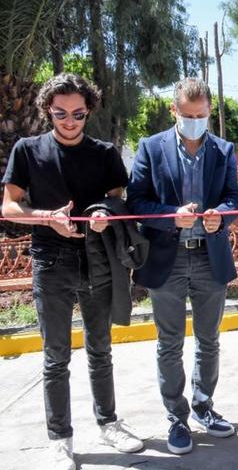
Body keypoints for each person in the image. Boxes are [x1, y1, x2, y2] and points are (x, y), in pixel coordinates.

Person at [1, 74, 143, 470]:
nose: (69, 121)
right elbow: (8, 207)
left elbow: (118, 201)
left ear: (88, 111)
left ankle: (108, 423)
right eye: (60, 113)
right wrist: (47, 218)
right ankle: (59, 438)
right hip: (50, 261)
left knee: (100, 349)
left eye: (77, 113)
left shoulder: (104, 153)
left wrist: (102, 216)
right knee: (55, 356)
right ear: (48, 108)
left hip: (96, 258)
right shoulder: (27, 150)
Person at [127, 78, 238, 455]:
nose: (195, 121)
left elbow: (233, 199)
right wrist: (168, 216)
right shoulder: (150, 148)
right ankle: (176, 416)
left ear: (209, 112)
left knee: (209, 340)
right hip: (168, 260)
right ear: (174, 111)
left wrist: (220, 218)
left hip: (210, 258)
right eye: (188, 115)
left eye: (202, 115)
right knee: (169, 343)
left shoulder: (223, 151)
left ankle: (203, 405)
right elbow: (136, 202)